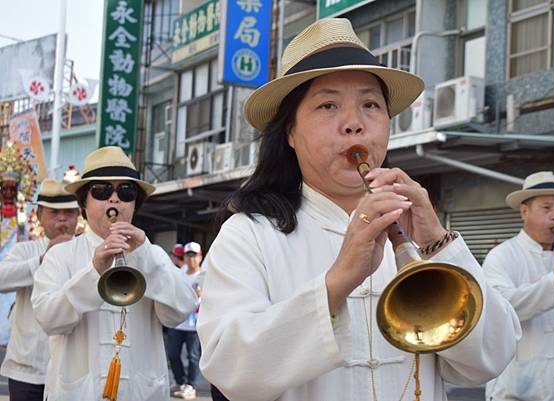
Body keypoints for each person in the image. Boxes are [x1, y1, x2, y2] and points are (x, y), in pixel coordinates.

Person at [196, 18, 520, 401]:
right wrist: (337, 282)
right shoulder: (249, 233)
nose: (354, 125)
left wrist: (439, 245)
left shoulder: (414, 229)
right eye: (328, 105)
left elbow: (491, 359)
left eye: (370, 105)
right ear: (290, 133)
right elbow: (230, 371)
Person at [31, 146, 198, 401]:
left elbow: (179, 311)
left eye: (126, 191)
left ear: (134, 204)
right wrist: (94, 270)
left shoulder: (151, 253)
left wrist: (145, 255)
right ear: (84, 203)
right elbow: (48, 319)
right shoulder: (60, 256)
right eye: (101, 191)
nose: (114, 200)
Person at [483, 171, 554, 401]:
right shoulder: (502, 256)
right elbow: (503, 308)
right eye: (546, 208)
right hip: (517, 388)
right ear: (524, 211)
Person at [0, 179, 79, 401]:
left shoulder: (88, 253)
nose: (62, 219)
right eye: (54, 213)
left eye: (69, 213)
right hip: (27, 372)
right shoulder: (26, 250)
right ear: (38, 215)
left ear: (78, 216)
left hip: (72, 372)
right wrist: (43, 260)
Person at [168, 241, 203, 399]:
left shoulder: (204, 275)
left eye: (194, 255)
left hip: (195, 324)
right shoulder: (179, 272)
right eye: (187, 255)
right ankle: (181, 381)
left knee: (193, 356)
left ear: (200, 257)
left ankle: (191, 385)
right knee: (173, 354)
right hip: (178, 321)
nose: (190, 259)